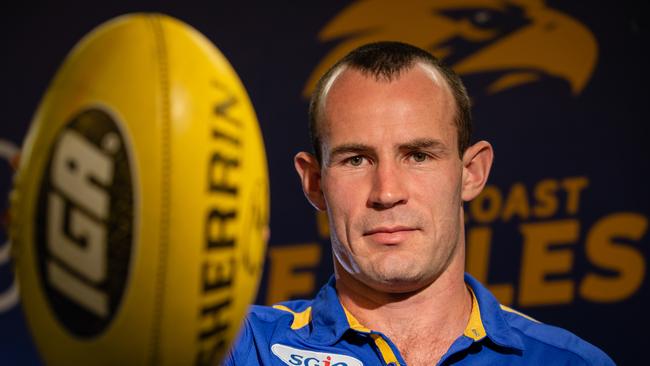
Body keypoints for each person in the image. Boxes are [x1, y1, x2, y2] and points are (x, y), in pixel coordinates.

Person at [224, 41, 614, 365]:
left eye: (419, 156)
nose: (387, 192)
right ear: (314, 183)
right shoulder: (240, 349)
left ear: (472, 173)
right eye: (356, 159)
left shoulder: (568, 361)